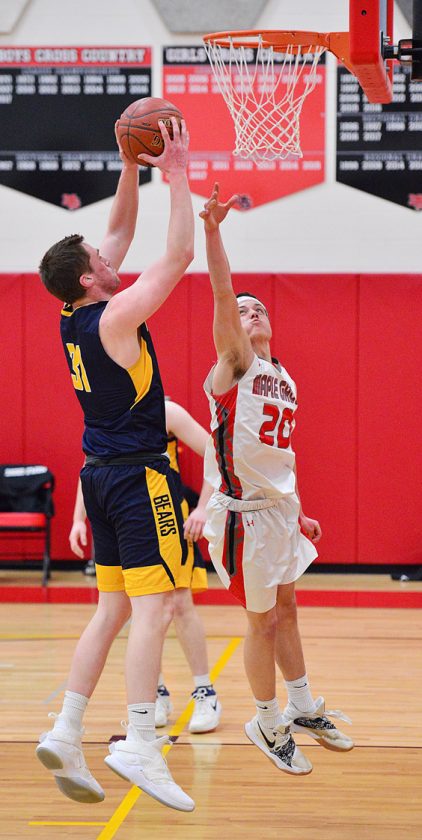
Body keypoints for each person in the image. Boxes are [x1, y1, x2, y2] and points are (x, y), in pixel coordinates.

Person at [36, 118, 195, 812]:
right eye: (99, 257)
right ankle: (139, 742)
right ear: (88, 277)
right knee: (153, 610)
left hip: (98, 477)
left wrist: (129, 164)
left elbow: (120, 231)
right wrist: (178, 173)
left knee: (110, 611)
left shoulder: (73, 314)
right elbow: (178, 255)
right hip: (138, 479)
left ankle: (66, 731)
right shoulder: (116, 318)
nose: (110, 254)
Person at [200, 183, 353, 777]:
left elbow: (278, 455)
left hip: (279, 512)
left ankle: (302, 705)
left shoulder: (283, 376)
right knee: (261, 621)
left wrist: (299, 507)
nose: (253, 311)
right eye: (243, 310)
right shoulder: (234, 364)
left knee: (288, 609)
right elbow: (221, 291)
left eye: (259, 306)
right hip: (243, 520)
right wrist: (213, 231)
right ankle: (265, 721)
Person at [69, 399, 221, 734]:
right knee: (138, 609)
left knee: (179, 602)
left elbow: (216, 452)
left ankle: (205, 691)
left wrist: (203, 508)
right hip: (130, 519)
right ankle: (156, 692)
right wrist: (78, 519)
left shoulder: (167, 412)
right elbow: (89, 462)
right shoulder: (107, 409)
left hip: (168, 517)